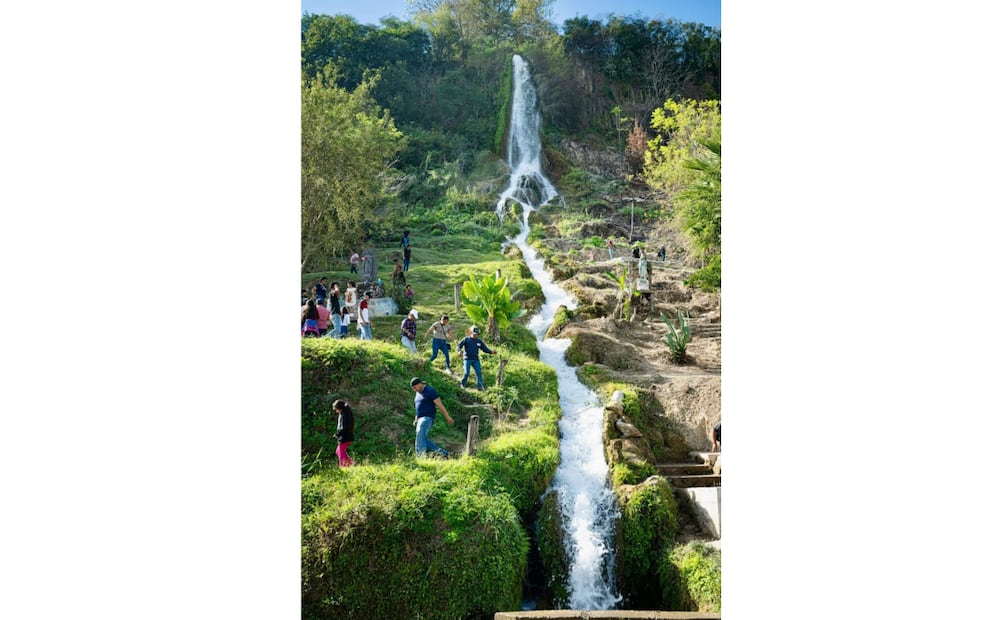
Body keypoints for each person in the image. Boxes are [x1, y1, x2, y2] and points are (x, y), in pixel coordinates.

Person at [410, 377, 454, 458]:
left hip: (427, 417)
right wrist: (416, 419)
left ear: (420, 384)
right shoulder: (418, 393)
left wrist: (447, 417)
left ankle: (420, 457)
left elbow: (440, 405)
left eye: (415, 387)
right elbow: (418, 407)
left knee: (420, 435)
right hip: (420, 419)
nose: (414, 390)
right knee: (422, 438)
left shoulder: (430, 391)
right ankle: (443, 453)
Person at [457, 325, 495, 390]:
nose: (476, 335)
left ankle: (480, 386)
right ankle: (462, 384)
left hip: (475, 359)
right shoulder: (466, 339)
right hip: (467, 359)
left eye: (477, 334)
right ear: (471, 333)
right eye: (475, 334)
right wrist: (459, 351)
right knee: (466, 373)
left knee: (478, 372)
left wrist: (491, 352)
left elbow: (484, 349)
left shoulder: (479, 341)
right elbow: (459, 346)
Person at [332, 399, 356, 467]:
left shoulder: (344, 415)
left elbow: (344, 427)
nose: (336, 411)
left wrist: (338, 434)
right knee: (338, 451)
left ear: (340, 408)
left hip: (345, 436)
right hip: (346, 436)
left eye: (337, 409)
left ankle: (343, 465)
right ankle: (351, 463)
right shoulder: (346, 413)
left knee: (340, 451)